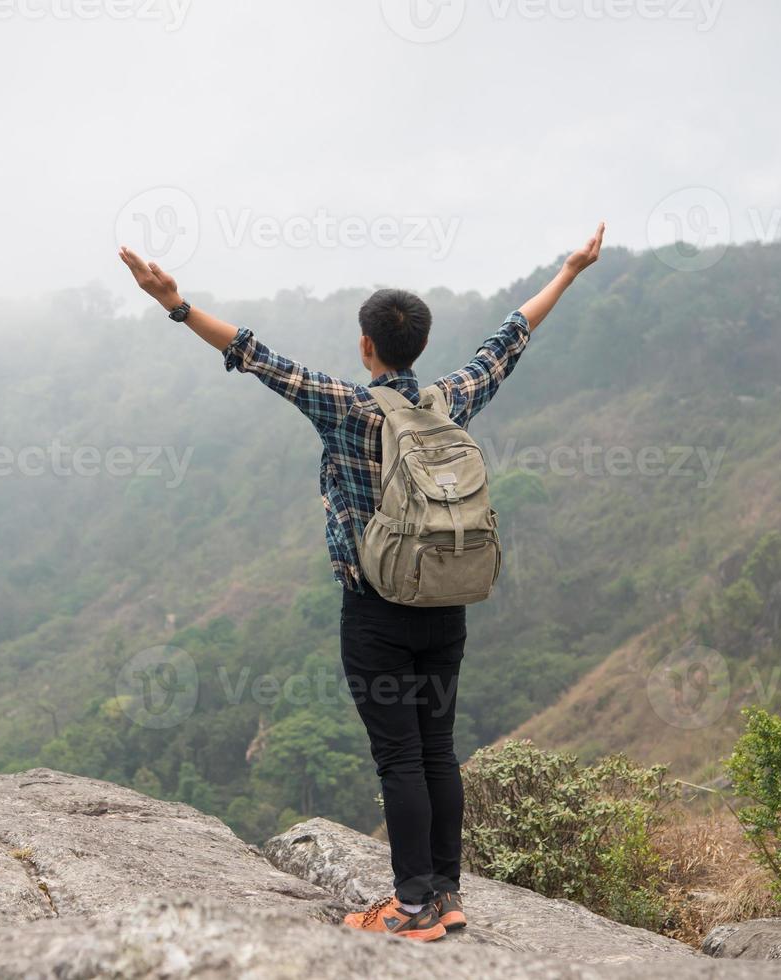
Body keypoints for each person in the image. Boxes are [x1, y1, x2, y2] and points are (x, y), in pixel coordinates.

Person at [117, 223, 604, 942]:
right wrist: (568, 271)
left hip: (375, 612)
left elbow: (256, 357)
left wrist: (177, 304)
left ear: (366, 345)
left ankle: (411, 909)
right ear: (419, 345)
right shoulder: (449, 399)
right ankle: (445, 892)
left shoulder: (344, 407)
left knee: (399, 757)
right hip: (446, 604)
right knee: (436, 750)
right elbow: (507, 341)